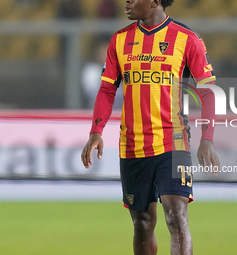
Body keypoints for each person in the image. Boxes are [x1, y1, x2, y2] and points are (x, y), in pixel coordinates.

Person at [81, 1, 220, 254]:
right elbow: (107, 88)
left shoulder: (187, 39)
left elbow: (208, 91)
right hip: (133, 145)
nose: (127, 1)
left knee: (176, 216)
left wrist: (207, 138)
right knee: (143, 223)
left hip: (173, 141)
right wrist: (96, 131)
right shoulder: (119, 40)